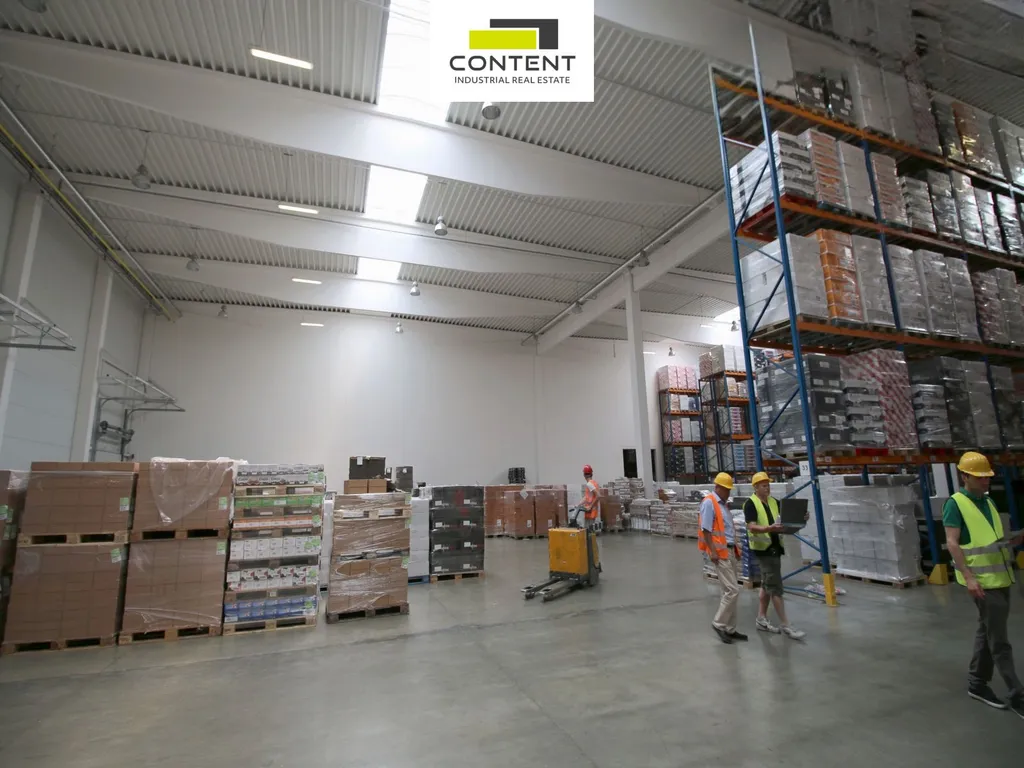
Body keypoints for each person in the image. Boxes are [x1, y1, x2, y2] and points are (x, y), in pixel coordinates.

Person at [943, 451, 1024, 716]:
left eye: (987, 476)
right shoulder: (955, 504)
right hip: (982, 583)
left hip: (1001, 578)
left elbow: (988, 542)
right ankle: (1017, 693)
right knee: (999, 641)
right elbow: (953, 543)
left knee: (986, 630)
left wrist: (1012, 541)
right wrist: (968, 577)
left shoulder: (987, 502)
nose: (985, 481)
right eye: (979, 477)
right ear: (964, 477)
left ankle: (977, 683)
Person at [744, 472, 805, 640]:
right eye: (764, 486)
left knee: (766, 584)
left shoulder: (774, 502)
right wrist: (769, 528)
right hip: (764, 550)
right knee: (776, 587)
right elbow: (752, 527)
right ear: (756, 487)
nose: (767, 488)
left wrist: (801, 517)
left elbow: (786, 520)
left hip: (775, 548)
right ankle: (785, 624)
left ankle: (761, 619)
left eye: (768, 485)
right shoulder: (751, 504)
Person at [699, 472, 746, 644]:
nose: (728, 492)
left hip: (729, 551)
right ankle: (719, 623)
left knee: (729, 591)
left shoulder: (724, 505)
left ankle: (730, 628)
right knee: (732, 590)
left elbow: (727, 530)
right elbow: (706, 529)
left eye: (729, 489)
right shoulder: (709, 503)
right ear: (717, 487)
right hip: (719, 553)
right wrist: (712, 551)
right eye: (726, 489)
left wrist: (736, 551)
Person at [581, 464, 600, 530]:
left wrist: (590, 506)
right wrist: (578, 504)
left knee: (589, 530)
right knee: (590, 530)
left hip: (590, 510)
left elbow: (598, 495)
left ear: (584, 475)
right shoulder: (594, 483)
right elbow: (587, 497)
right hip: (589, 510)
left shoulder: (589, 484)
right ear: (591, 474)